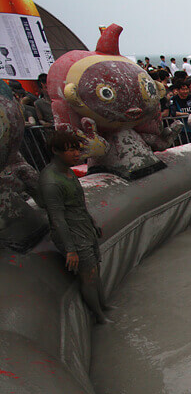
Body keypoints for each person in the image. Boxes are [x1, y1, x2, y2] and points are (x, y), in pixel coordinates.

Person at [39, 132, 113, 324]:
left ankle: (103, 305)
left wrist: (92, 223)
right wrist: (70, 249)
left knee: (95, 270)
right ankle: (99, 317)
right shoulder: (51, 181)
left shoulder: (68, 171)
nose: (76, 154)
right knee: (87, 277)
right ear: (56, 151)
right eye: (71, 150)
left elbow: (78, 203)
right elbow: (57, 218)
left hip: (83, 225)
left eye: (77, 149)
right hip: (72, 232)